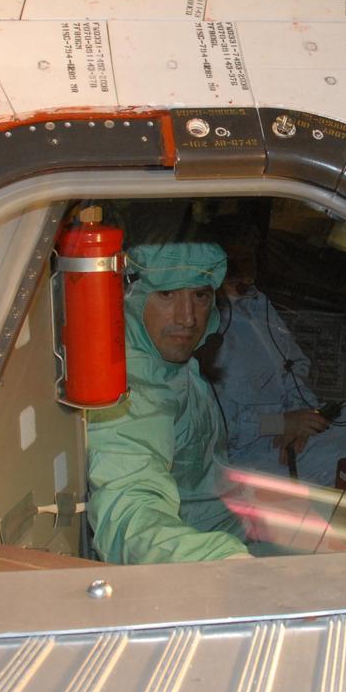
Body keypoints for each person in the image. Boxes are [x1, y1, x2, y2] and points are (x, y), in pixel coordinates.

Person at [86, 241, 250, 564]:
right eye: (167, 294)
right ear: (132, 297)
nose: (187, 318)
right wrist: (221, 563)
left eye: (200, 296)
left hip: (234, 524)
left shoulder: (173, 364)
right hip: (199, 550)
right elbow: (130, 512)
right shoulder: (132, 387)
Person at [209, 235, 346, 487]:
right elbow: (217, 427)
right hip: (247, 453)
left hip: (291, 427)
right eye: (231, 263)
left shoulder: (258, 304)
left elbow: (294, 365)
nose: (240, 270)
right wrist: (282, 423)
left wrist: (302, 421)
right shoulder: (211, 325)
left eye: (246, 260)